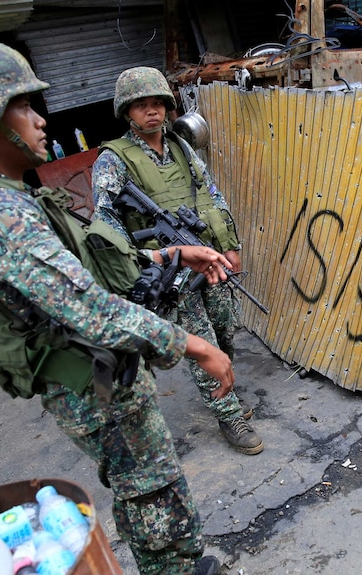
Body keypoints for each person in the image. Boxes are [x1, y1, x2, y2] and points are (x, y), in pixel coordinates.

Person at [0, 38, 228, 575]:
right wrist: (194, 347)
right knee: (148, 488)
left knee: (153, 481)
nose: (40, 121)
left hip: (99, 371)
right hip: (89, 382)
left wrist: (170, 253)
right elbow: (88, 307)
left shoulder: (10, 198)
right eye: (24, 107)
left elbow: (84, 265)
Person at [92, 67, 264, 455]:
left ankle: (227, 388)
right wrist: (154, 258)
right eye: (141, 105)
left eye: (157, 104)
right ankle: (226, 412)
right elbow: (106, 228)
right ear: (127, 112)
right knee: (199, 338)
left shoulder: (182, 148)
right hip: (169, 268)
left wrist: (229, 244)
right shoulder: (112, 161)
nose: (151, 112)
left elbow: (211, 196)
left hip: (205, 254)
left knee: (224, 327)